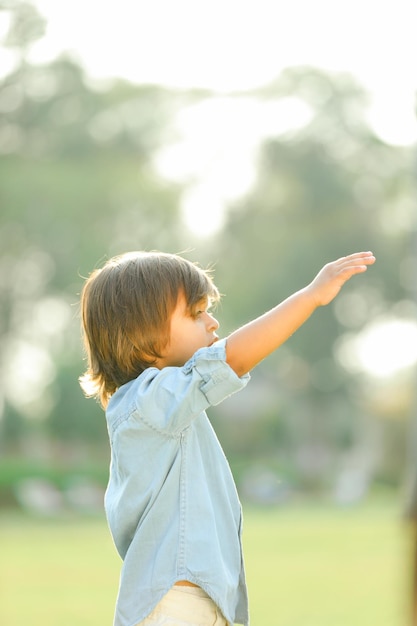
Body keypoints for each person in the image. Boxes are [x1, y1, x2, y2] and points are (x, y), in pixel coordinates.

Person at [79, 249, 375, 626]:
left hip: (198, 602)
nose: (212, 323)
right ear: (143, 335)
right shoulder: (148, 402)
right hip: (172, 607)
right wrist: (310, 297)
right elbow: (232, 359)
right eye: (196, 313)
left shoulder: (168, 408)